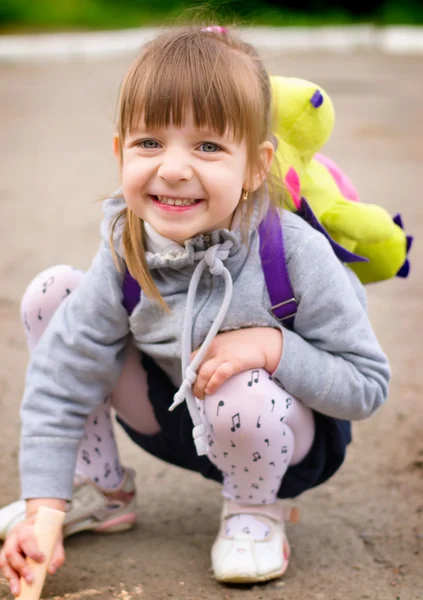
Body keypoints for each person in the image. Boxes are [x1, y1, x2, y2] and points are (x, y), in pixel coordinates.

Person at [0, 25, 390, 591]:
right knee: (52, 293)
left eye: (207, 146)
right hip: (175, 418)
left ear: (256, 165)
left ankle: (253, 511)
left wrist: (273, 347)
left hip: (279, 435)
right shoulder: (126, 244)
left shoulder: (293, 252)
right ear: (119, 152)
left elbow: (367, 385)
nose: (175, 168)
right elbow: (63, 378)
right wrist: (44, 510)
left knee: (244, 385)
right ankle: (101, 490)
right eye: (149, 142)